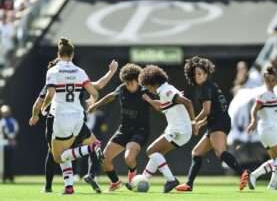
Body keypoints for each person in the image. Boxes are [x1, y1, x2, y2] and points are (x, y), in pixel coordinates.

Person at [29, 58, 118, 193]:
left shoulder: (53, 81)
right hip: (77, 119)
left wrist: (35, 115)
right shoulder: (77, 78)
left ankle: (49, 186)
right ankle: (72, 184)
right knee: (72, 152)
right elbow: (98, 85)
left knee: (56, 155)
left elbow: (39, 102)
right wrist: (111, 72)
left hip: (57, 120)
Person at [176, 56, 249, 192]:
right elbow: (211, 112)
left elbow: (206, 110)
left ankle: (243, 172)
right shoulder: (211, 85)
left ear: (206, 73)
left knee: (220, 152)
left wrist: (193, 122)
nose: (197, 76)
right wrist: (200, 124)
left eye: (200, 73)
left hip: (218, 122)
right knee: (196, 153)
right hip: (217, 121)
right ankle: (189, 184)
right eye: (195, 74)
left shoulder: (205, 87)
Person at [39, 38, 102, 194]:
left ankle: (91, 148)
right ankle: (69, 186)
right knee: (65, 153)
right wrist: (91, 102)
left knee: (58, 157)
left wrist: (44, 106)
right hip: (78, 117)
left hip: (61, 117)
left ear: (59, 54)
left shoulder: (53, 71)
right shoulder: (80, 72)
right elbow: (95, 92)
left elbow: (51, 92)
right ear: (72, 54)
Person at [88, 63, 151, 191]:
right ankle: (115, 182)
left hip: (140, 131)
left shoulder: (145, 91)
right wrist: (95, 106)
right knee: (104, 159)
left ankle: (132, 178)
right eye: (126, 83)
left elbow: (160, 102)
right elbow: (110, 96)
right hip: (124, 130)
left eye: (131, 83)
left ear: (138, 80)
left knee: (129, 157)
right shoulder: (122, 88)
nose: (129, 86)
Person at [136, 65, 197, 193]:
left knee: (151, 151)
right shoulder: (164, 92)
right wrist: (148, 99)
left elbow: (188, 103)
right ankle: (143, 179)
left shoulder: (166, 91)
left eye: (147, 86)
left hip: (178, 129)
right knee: (157, 154)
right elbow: (161, 106)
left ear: (153, 83)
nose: (148, 89)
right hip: (181, 131)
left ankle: (171, 180)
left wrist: (194, 123)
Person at [247, 66, 277, 190]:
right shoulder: (264, 94)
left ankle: (271, 185)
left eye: (273, 80)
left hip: (271, 130)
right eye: (268, 80)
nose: (271, 83)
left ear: (276, 80)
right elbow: (254, 109)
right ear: (264, 81)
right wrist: (253, 120)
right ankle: (256, 177)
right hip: (268, 129)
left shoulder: (274, 94)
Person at [0, 105, 19, 183]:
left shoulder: (13, 121)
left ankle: (10, 176)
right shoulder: (1, 122)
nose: (5, 114)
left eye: (7, 112)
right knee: (2, 162)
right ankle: (3, 177)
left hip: (10, 144)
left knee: (10, 161)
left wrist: (11, 137)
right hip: (2, 144)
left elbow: (16, 129)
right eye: (4, 112)